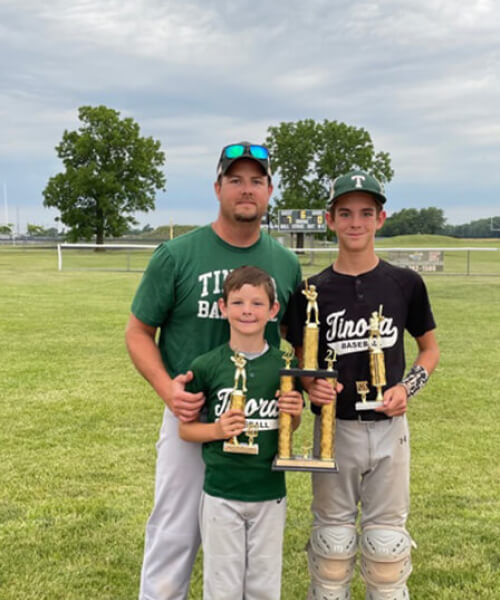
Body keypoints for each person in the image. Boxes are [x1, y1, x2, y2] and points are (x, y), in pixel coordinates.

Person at [125, 141, 301, 600]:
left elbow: (296, 339)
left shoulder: (284, 262)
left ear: (269, 191)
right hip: (192, 414)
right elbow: (138, 331)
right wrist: (169, 392)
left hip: (257, 420)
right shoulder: (178, 255)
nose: (247, 190)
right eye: (236, 180)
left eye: (257, 181)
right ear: (217, 187)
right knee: (175, 531)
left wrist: (297, 393)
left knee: (255, 547)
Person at [285, 170, 440, 600]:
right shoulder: (311, 292)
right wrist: (310, 383)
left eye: (366, 213)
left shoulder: (404, 283)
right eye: (346, 213)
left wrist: (407, 388)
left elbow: (429, 350)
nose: (356, 222)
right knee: (333, 545)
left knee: (386, 545)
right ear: (330, 219)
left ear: (381, 218)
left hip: (390, 430)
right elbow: (302, 362)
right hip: (336, 431)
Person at [179, 266, 303, 600]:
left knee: (264, 582)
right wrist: (217, 429)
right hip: (221, 491)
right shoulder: (207, 365)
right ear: (222, 307)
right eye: (237, 302)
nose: (247, 310)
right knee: (222, 584)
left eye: (257, 303)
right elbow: (186, 430)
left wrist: (295, 412)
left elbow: (290, 427)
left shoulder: (284, 365)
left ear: (273, 311)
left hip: (269, 489)